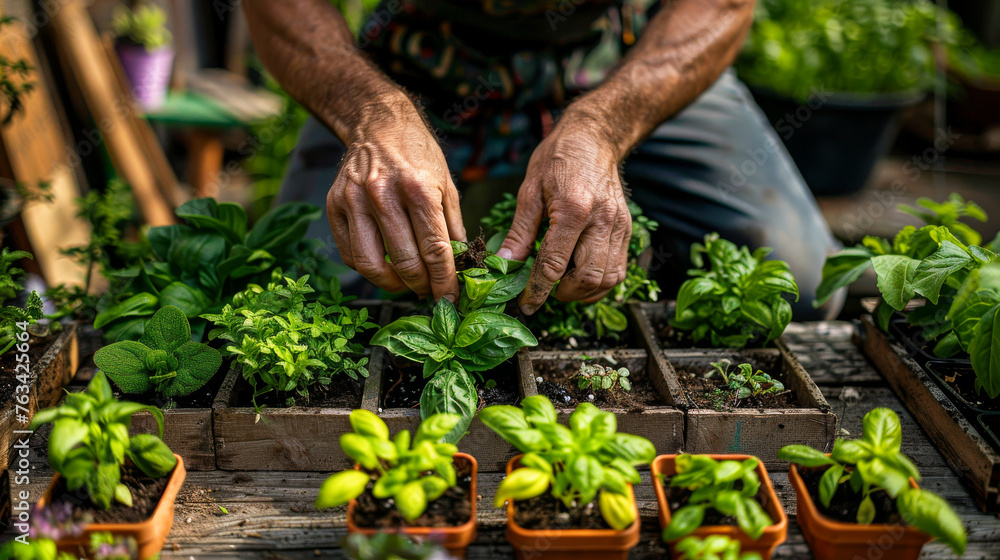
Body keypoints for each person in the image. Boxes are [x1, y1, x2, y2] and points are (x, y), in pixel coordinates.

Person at [244, 0, 844, 320]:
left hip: (632, 60)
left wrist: (603, 125)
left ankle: (627, 273)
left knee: (799, 283)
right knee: (309, 285)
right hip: (416, 65)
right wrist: (374, 115)